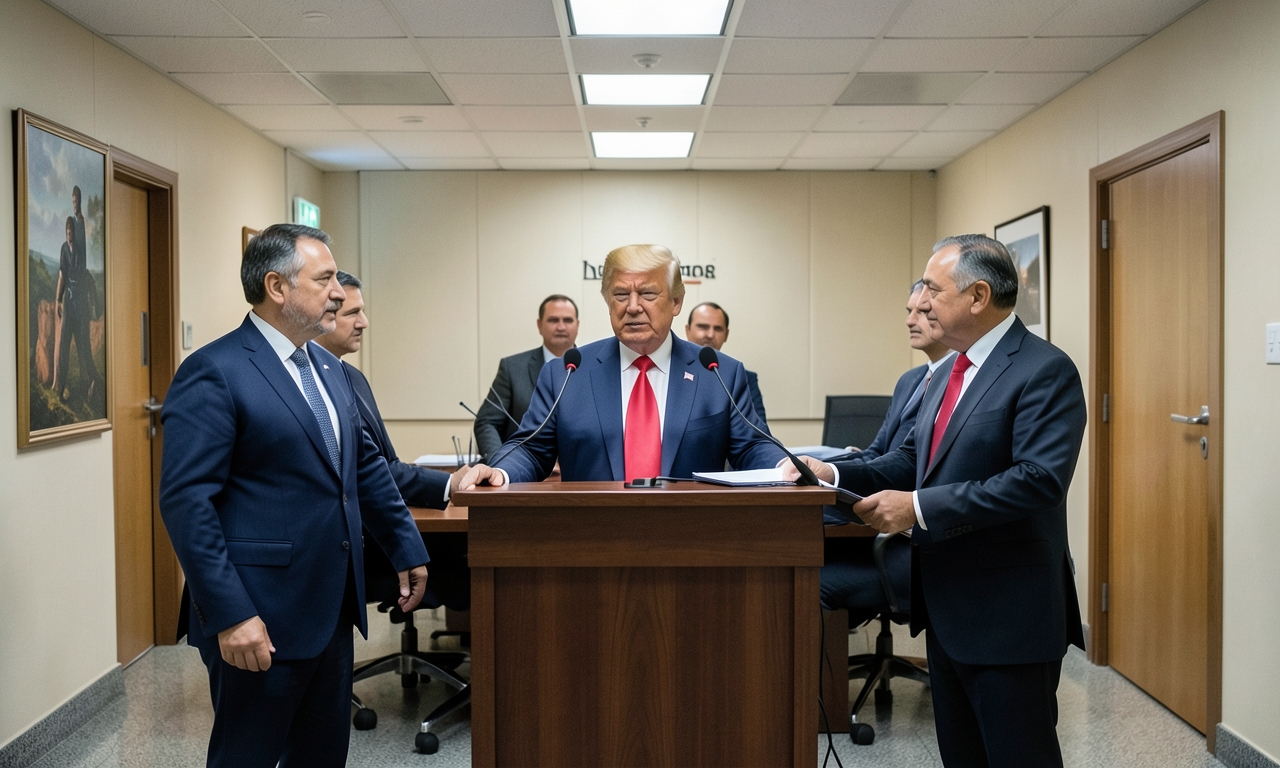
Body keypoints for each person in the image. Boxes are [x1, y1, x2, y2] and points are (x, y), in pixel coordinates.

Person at [790, 234, 1087, 767]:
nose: (921, 301)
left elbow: (1038, 480)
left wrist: (919, 508)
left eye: (932, 288)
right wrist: (830, 472)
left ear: (978, 296)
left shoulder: (1043, 369)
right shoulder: (948, 371)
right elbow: (909, 459)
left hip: (1009, 612)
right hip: (946, 608)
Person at [159, 224, 433, 768]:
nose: (338, 292)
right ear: (277, 286)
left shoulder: (328, 368)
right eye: (325, 279)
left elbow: (363, 466)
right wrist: (232, 614)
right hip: (258, 614)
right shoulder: (215, 371)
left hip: (330, 608)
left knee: (322, 756)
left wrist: (405, 545)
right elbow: (187, 503)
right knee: (247, 756)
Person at [472, 244, 785, 486]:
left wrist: (785, 467)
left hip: (691, 536)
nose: (633, 307)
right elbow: (530, 449)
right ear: (608, 302)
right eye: (621, 294)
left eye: (647, 293)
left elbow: (751, 447)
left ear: (676, 302)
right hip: (591, 536)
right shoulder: (566, 373)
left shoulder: (718, 373)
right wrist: (501, 471)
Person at [315, 270, 473, 607]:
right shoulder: (311, 383)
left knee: (473, 549)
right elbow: (366, 471)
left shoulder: (352, 377)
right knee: (468, 561)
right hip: (356, 538)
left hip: (375, 527)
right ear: (324, 316)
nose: (364, 322)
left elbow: (382, 464)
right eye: (352, 313)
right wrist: (449, 484)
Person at [852, 281, 954, 461]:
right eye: (909, 312)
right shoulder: (908, 381)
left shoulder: (962, 380)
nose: (909, 321)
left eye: (922, 312)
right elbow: (876, 452)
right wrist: (827, 468)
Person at [473, 294, 579, 458]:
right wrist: (501, 463)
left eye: (568, 320)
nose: (561, 327)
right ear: (539, 325)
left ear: (577, 325)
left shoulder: (594, 367)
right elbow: (487, 422)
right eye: (553, 320)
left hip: (581, 468)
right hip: (525, 469)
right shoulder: (512, 368)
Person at [684, 301, 769, 430]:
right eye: (703, 327)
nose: (710, 335)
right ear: (688, 330)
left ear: (726, 335)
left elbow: (757, 432)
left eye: (718, 329)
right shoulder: (670, 371)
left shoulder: (743, 378)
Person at [53, 187, 102, 400]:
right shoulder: (64, 249)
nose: (70, 235)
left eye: (76, 201)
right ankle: (61, 388)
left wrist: (79, 215)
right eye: (67, 232)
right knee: (64, 346)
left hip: (81, 304)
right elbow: (62, 276)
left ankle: (94, 381)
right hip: (69, 302)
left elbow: (80, 223)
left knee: (84, 348)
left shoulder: (80, 242)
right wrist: (58, 299)